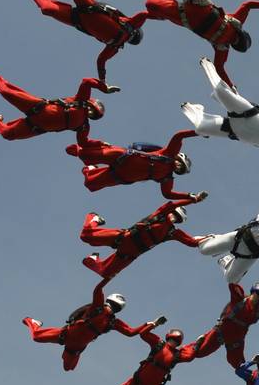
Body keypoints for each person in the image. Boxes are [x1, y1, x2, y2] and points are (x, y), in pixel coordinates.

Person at [23, 281, 161, 371]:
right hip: (66, 336)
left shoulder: (112, 321)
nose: (112, 309)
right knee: (35, 336)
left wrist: (151, 324)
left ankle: (36, 326)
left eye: (115, 308)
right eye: (113, 306)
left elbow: (130, 332)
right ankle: (34, 322)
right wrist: (108, 276)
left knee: (68, 367)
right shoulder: (98, 308)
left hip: (75, 346)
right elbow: (98, 290)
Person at [79, 194, 207, 280]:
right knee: (85, 236)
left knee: (106, 273)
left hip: (129, 254)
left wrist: (210, 238)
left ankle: (93, 259)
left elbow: (191, 242)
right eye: (174, 215)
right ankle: (94, 218)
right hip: (124, 237)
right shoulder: (161, 214)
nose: (174, 218)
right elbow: (172, 204)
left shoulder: (172, 232)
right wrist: (193, 200)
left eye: (177, 219)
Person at [0, 70, 110, 141]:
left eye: (93, 114)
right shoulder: (80, 100)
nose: (89, 112)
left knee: (8, 134)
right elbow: (87, 82)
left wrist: (99, 146)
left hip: (36, 127)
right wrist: (103, 87)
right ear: (90, 103)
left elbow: (83, 143)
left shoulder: (83, 126)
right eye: (92, 109)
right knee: (7, 92)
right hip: (37, 108)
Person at [65, 128, 196, 199]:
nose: (179, 167)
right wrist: (198, 132)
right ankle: (85, 148)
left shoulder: (167, 178)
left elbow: (168, 194)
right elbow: (179, 136)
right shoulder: (169, 153)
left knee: (90, 184)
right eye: (181, 164)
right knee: (85, 154)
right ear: (178, 158)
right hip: (122, 157)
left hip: (120, 176)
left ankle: (89, 169)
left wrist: (190, 197)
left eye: (181, 169)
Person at [188, 283, 259, 368]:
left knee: (239, 365)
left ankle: (253, 383)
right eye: (256, 293)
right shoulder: (240, 299)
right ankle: (197, 343)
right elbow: (232, 286)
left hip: (236, 340)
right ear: (252, 291)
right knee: (199, 353)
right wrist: (236, 274)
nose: (256, 297)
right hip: (221, 333)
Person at [114, 328, 196, 385]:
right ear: (168, 338)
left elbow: (189, 357)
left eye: (176, 341)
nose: (173, 343)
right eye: (172, 340)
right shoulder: (159, 343)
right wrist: (154, 324)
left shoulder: (178, 355)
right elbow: (143, 334)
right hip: (139, 380)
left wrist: (195, 344)